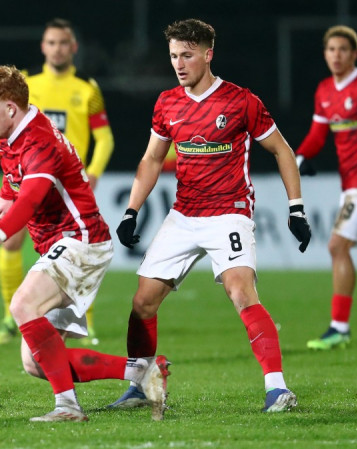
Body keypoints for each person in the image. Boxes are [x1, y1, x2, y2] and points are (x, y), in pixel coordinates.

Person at [109, 18, 312, 413]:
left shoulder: (240, 101)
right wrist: (132, 211)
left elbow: (282, 150)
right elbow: (152, 159)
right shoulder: (168, 102)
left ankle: (277, 389)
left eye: (187, 55)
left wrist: (296, 209)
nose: (178, 64)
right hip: (184, 214)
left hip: (229, 213)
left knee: (240, 290)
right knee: (142, 302)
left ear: (208, 54)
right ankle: (141, 386)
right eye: (173, 56)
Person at [0, 65, 170, 422]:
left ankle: (67, 407)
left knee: (22, 304)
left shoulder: (39, 140)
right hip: (63, 244)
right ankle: (143, 373)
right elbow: (15, 180)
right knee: (36, 362)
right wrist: (4, 197)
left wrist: (0, 232)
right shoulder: (12, 134)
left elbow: (31, 197)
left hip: (80, 241)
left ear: (11, 108)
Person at [0, 18, 114, 347]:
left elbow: (104, 138)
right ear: (43, 47)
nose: (57, 49)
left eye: (63, 43)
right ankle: (12, 318)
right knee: (17, 246)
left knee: (71, 249)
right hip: (32, 180)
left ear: (73, 47)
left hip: (61, 186)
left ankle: (83, 320)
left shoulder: (87, 88)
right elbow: (5, 136)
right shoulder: (27, 84)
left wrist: (93, 171)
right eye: (51, 43)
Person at [296, 25, 357, 351]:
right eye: (331, 49)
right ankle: (340, 328)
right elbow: (318, 134)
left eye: (343, 49)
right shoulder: (325, 90)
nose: (336, 55)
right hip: (350, 182)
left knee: (337, 246)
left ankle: (339, 327)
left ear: (354, 54)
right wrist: (300, 157)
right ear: (325, 54)